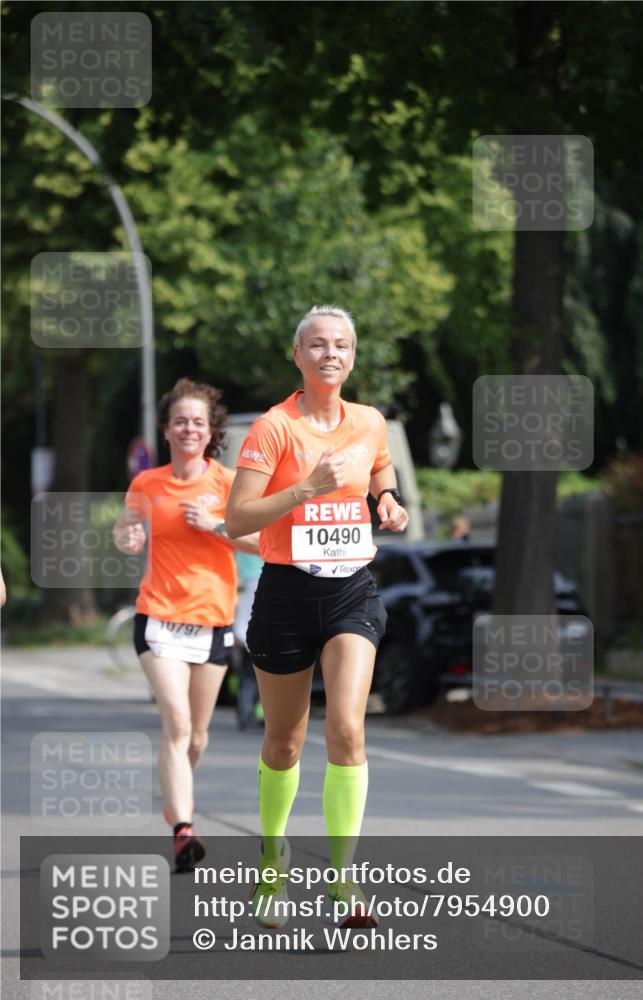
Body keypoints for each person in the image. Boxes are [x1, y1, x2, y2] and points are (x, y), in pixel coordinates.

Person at [226, 305, 409, 928]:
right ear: (297, 356)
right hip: (285, 593)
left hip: (352, 590)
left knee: (348, 731)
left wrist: (386, 499)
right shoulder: (273, 428)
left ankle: (343, 882)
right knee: (284, 743)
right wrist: (305, 487)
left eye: (342, 345)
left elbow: (379, 464)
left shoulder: (369, 421)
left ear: (352, 356)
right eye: (318, 345)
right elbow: (237, 520)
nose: (331, 354)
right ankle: (272, 869)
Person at [113, 378, 258, 871]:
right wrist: (128, 535)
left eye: (198, 421)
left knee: (196, 737)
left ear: (211, 430)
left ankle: (177, 798)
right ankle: (183, 829)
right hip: (158, 617)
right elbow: (126, 531)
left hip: (212, 622)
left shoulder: (227, 483)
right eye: (180, 421)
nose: (189, 428)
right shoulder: (146, 484)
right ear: (166, 429)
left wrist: (215, 525)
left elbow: (261, 542)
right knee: (175, 723)